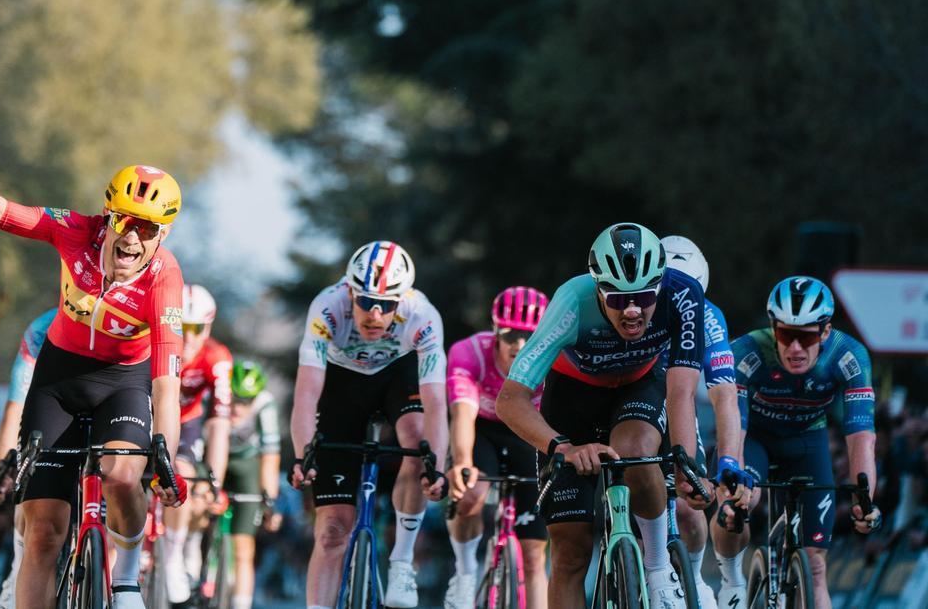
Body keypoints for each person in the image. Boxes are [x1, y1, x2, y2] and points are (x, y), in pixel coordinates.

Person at [0, 121, 187, 609]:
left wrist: (165, 452)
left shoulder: (165, 279)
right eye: (125, 222)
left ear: (161, 234)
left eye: (148, 229)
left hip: (123, 381)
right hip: (58, 379)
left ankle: (123, 578)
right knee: (42, 534)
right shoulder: (75, 231)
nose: (133, 239)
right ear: (107, 216)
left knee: (122, 476)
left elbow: (166, 381)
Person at [495, 222, 714, 609]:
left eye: (644, 297)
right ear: (598, 289)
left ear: (661, 284)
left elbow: (681, 390)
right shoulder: (571, 302)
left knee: (634, 448)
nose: (632, 311)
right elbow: (510, 400)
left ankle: (659, 568)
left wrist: (686, 464)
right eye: (616, 300)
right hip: (572, 400)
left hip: (638, 387)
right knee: (570, 550)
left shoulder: (684, 294)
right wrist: (560, 446)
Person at [289, 240, 448, 609]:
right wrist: (302, 456)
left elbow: (437, 401)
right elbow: (307, 393)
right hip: (342, 383)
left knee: (416, 440)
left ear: (402, 299)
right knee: (331, 531)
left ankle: (402, 561)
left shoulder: (423, 315)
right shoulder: (327, 308)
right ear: (350, 292)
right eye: (365, 302)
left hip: (398, 375)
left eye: (387, 305)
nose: (375, 314)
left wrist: (437, 466)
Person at [711, 276, 881, 608]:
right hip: (755, 439)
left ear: (825, 332)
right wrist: (730, 491)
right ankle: (729, 579)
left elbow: (862, 436)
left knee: (816, 565)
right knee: (742, 500)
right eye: (785, 335)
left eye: (806, 337)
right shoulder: (746, 351)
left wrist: (865, 499)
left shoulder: (849, 356)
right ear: (772, 328)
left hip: (807, 442)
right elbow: (734, 427)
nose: (795, 348)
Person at [659, 235, 751, 609]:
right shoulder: (635, 304)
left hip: (676, 408)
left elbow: (725, 395)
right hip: (629, 399)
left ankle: (693, 578)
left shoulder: (709, 317)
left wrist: (728, 459)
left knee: (689, 508)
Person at [444, 286, 550, 609]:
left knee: (534, 555)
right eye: (510, 336)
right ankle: (464, 573)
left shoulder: (556, 360)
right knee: (471, 493)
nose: (519, 346)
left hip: (528, 434)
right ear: (495, 333)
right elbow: (462, 414)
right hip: (482, 430)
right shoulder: (469, 353)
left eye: (529, 337)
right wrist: (462, 462)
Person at [0, 307, 57, 609]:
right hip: (44, 423)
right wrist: (1, 473)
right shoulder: (41, 331)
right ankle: (14, 574)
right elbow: (15, 409)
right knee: (26, 498)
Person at [167, 283, 233, 602]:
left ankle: (174, 553)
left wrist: (215, 481)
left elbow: (219, 425)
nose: (188, 338)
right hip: (149, 413)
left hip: (186, 422)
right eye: (181, 328)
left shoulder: (217, 357)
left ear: (207, 328)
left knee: (182, 477)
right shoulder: (154, 346)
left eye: (197, 329)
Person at [222, 360, 282, 609]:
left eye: (245, 402)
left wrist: (270, 502)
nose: (237, 408)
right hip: (215, 457)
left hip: (247, 462)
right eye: (234, 399)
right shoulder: (214, 394)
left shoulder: (265, 403)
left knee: (244, 546)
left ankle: (241, 604)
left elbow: (270, 456)